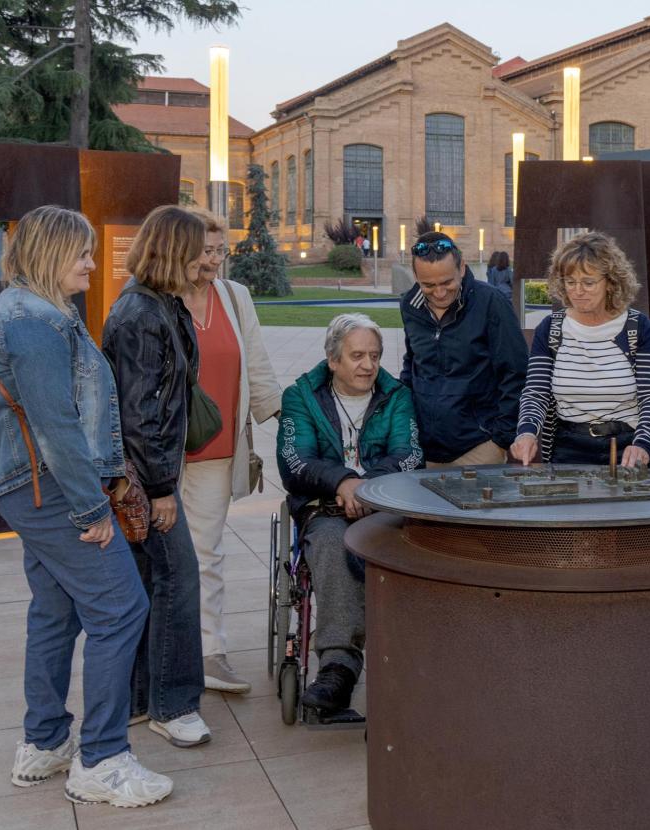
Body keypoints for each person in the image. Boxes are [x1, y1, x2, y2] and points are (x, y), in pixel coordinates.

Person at [0, 206, 171, 807]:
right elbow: (56, 424)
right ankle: (104, 759)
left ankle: (44, 744)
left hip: (35, 485)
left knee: (56, 610)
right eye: (82, 253)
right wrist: (93, 510)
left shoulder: (33, 310)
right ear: (50, 253)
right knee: (121, 608)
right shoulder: (34, 321)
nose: (94, 262)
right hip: (51, 487)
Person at [102, 205, 211, 748]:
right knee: (177, 580)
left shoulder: (161, 305)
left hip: (151, 475)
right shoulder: (140, 314)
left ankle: (144, 698)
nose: (205, 260)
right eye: (198, 251)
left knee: (153, 582)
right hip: (148, 480)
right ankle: (174, 704)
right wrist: (162, 488)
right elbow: (138, 414)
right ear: (175, 251)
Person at [277, 313, 423, 714]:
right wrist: (341, 481)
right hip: (323, 508)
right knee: (331, 543)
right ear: (333, 360)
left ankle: (407, 661)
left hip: (384, 506)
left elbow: (409, 455)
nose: (368, 365)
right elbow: (294, 461)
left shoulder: (396, 396)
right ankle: (338, 667)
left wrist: (367, 486)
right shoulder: (301, 397)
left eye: (374, 356)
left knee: (403, 552)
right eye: (357, 355)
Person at [180, 208, 282, 693]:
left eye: (221, 250)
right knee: (159, 557)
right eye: (206, 250)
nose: (216, 260)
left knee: (206, 554)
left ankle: (209, 652)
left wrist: (290, 419)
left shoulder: (235, 297)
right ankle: (162, 652)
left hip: (217, 451)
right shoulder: (159, 299)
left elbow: (257, 368)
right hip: (163, 453)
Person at [510, 232, 650, 468]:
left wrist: (643, 444)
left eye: (588, 282)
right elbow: (536, 392)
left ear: (611, 282)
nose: (577, 291)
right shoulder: (551, 329)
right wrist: (526, 432)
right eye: (570, 282)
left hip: (627, 446)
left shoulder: (637, 328)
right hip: (568, 446)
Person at [401, 231, 528, 467]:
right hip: (424, 448)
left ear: (462, 269)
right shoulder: (410, 305)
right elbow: (412, 363)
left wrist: (500, 438)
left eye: (447, 282)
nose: (439, 292)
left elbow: (516, 371)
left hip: (479, 447)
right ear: (415, 276)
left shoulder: (491, 302)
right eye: (428, 285)